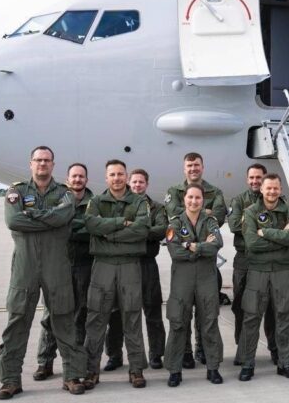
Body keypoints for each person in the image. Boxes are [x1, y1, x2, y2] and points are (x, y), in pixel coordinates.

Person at [0, 146, 87, 399]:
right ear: (31, 164)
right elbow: (14, 221)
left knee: (64, 320)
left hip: (56, 265)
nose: (42, 164)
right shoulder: (16, 191)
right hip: (25, 266)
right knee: (17, 321)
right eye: (38, 160)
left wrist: (33, 216)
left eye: (47, 160)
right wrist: (49, 218)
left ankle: (71, 376)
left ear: (53, 165)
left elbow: (65, 216)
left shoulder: (65, 193)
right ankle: (10, 380)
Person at [82, 160, 151, 389]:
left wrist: (108, 234)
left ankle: (136, 369)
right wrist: (122, 223)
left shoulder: (140, 201)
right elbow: (92, 225)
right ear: (106, 178)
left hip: (130, 266)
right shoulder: (96, 202)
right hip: (103, 266)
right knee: (96, 318)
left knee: (132, 317)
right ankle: (91, 371)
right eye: (112, 174)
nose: (117, 178)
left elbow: (142, 228)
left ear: (126, 176)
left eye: (121, 174)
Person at [237, 173, 289, 381]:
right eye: (268, 188)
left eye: (276, 188)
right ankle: (247, 364)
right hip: (258, 272)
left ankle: (286, 363)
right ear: (262, 190)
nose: (272, 192)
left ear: (280, 190)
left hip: (281, 272)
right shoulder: (250, 212)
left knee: (284, 316)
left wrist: (267, 233)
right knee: (251, 318)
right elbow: (252, 244)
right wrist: (281, 238)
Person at [164, 152, 227, 369]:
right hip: (183, 273)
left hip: (206, 270)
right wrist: (201, 244)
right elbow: (173, 214)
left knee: (208, 315)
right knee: (180, 316)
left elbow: (217, 218)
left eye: (197, 165)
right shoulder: (174, 191)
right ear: (184, 168)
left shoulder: (216, 191)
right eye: (189, 165)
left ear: (203, 167)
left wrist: (191, 244)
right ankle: (185, 353)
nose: (193, 169)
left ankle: (205, 353)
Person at [101, 170, 167, 370]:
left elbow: (161, 229)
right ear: (129, 183)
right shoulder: (122, 205)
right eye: (135, 182)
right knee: (117, 312)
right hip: (123, 264)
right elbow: (111, 228)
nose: (137, 185)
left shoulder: (156, 208)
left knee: (153, 311)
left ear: (147, 184)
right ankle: (114, 355)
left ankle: (156, 354)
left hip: (147, 264)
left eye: (141, 182)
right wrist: (140, 231)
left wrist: (134, 231)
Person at [34, 162, 93, 382]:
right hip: (57, 265)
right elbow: (52, 223)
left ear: (86, 180)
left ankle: (76, 363)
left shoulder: (93, 202)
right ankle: (44, 362)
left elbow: (94, 227)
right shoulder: (58, 198)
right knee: (51, 315)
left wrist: (67, 223)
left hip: (84, 266)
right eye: (74, 176)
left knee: (80, 315)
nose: (77, 180)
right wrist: (78, 224)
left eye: (81, 177)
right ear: (68, 179)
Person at [226, 164, 278, 366]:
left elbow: (280, 228)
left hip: (267, 259)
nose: (255, 181)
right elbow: (233, 225)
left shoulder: (274, 200)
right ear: (247, 179)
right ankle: (243, 349)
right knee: (241, 306)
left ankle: (274, 348)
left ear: (265, 179)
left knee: (272, 306)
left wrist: (250, 224)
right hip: (244, 259)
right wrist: (262, 227)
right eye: (252, 177)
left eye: (259, 177)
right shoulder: (239, 200)